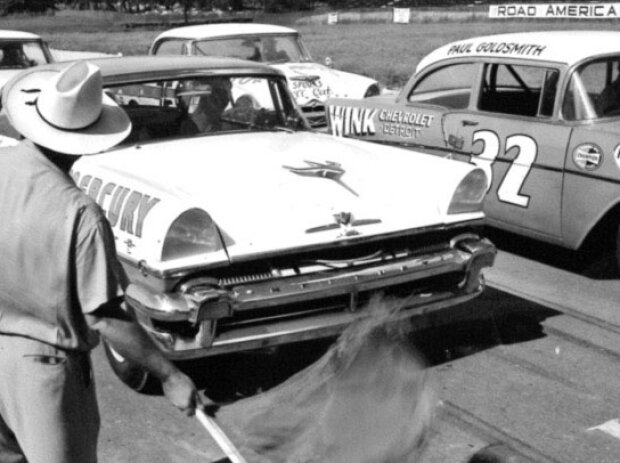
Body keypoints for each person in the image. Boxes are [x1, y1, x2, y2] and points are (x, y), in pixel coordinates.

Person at [0, 60, 214, 463]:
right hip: (44, 370)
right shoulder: (78, 212)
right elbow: (104, 317)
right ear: (89, 139)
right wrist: (169, 376)